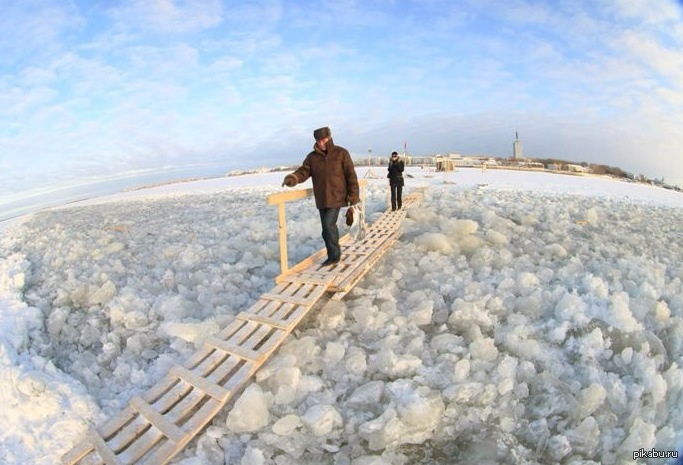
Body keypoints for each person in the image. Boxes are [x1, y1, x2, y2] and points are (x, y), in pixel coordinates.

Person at [282, 127, 360, 266]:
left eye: (324, 139)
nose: (322, 142)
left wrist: (353, 197)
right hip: (322, 198)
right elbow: (303, 172)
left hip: (337, 196)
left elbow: (351, 176)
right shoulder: (312, 157)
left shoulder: (341, 153)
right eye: (319, 140)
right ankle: (334, 251)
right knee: (326, 229)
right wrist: (293, 178)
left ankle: (334, 256)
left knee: (329, 225)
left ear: (330, 137)